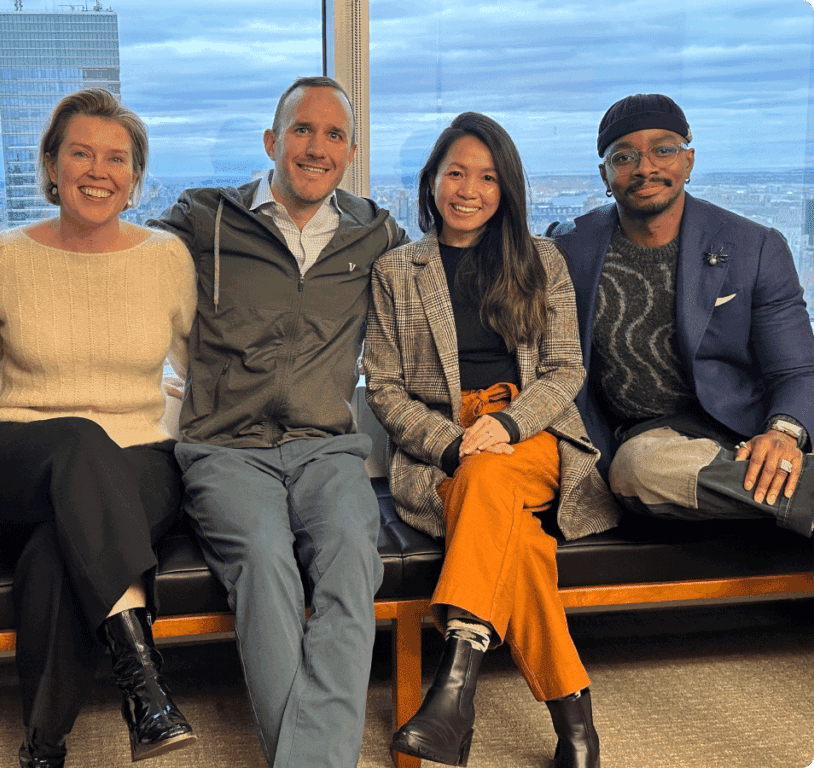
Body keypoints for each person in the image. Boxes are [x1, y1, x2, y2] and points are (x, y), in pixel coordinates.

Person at [147, 76, 406, 768]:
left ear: (350, 153)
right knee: (264, 565)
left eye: (333, 136)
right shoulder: (207, 219)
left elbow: (441, 286)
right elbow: (124, 268)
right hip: (224, 449)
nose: (316, 147)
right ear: (272, 140)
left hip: (326, 448)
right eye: (302, 130)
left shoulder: (376, 233)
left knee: (354, 561)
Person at [363, 112, 620, 768]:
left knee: (493, 476)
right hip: (441, 447)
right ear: (432, 180)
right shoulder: (397, 271)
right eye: (456, 173)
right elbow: (387, 390)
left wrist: (503, 426)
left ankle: (453, 698)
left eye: (486, 176)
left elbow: (565, 369)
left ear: (506, 189)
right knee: (514, 533)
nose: (469, 189)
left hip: (528, 431)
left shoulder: (541, 262)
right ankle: (576, 729)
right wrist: (452, 443)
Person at [0, 88, 197, 768]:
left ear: (136, 178)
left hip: (136, 462)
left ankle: (44, 747)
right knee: (78, 438)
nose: (98, 169)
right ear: (51, 166)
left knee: (56, 554)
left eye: (116, 158)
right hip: (16, 455)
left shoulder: (166, 259)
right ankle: (143, 681)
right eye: (81, 153)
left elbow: (203, 367)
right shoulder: (5, 258)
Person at [549, 94, 814, 536]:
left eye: (664, 149)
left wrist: (783, 433)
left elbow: (798, 368)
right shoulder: (569, 247)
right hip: (650, 445)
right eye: (624, 156)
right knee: (638, 470)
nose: (645, 167)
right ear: (605, 175)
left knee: (645, 476)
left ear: (688, 162)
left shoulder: (754, 246)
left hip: (743, 432)